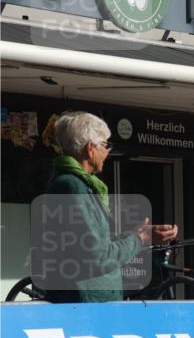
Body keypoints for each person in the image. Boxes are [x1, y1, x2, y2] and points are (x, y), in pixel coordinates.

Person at [39, 112, 177, 303]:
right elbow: (98, 258)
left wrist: (136, 236)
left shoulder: (77, 184)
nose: (107, 152)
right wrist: (140, 238)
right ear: (90, 148)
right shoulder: (72, 186)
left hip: (89, 301)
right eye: (105, 145)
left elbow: (95, 248)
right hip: (86, 304)